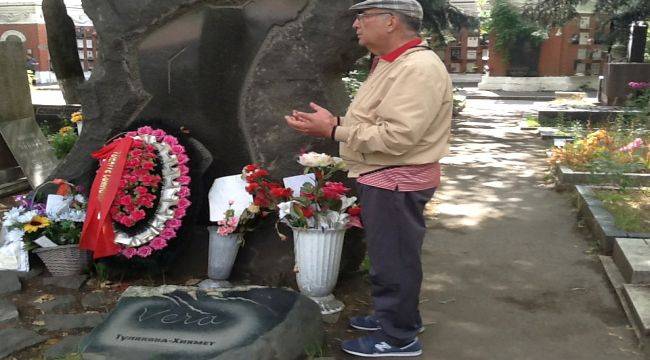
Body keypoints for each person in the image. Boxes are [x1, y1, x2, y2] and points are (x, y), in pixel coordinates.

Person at [285, 0, 452, 357]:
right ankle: (398, 318)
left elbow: (397, 137)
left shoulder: (417, 68)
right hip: (386, 176)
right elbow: (380, 122)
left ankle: (398, 338)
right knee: (391, 256)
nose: (356, 24)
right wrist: (339, 124)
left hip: (396, 179)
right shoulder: (394, 62)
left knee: (394, 260)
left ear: (391, 21)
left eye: (364, 16)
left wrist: (333, 130)